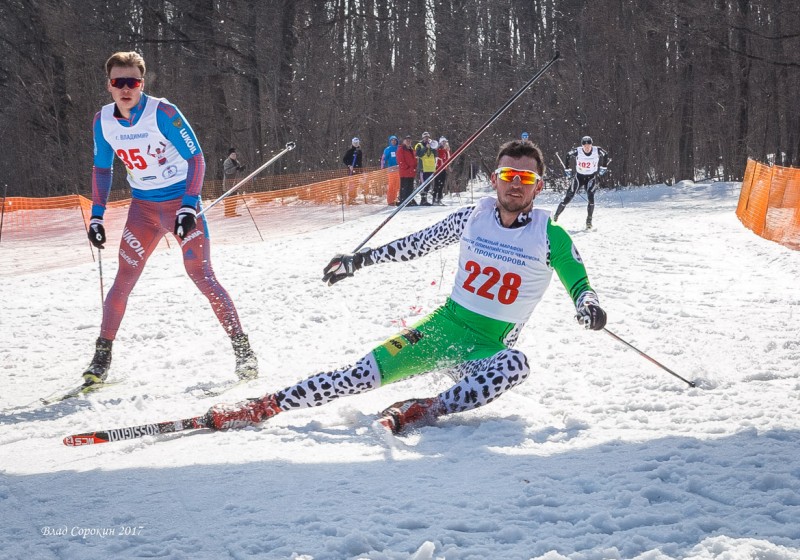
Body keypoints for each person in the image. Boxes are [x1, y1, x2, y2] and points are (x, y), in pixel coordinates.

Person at [204, 139, 607, 434]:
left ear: (538, 185)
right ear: (494, 180)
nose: (514, 185)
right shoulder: (472, 218)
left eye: (525, 178)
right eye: (507, 176)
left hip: (485, 352)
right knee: (358, 375)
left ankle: (422, 409)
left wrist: (586, 305)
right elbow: (418, 244)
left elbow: (579, 283)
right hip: (441, 331)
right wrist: (360, 259)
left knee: (515, 365)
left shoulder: (550, 236)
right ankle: (265, 405)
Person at [82, 51, 258, 388]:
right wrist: (97, 217)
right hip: (143, 210)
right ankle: (101, 358)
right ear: (109, 85)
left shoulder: (163, 112)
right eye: (118, 82)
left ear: (141, 83)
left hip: (180, 203)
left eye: (132, 82)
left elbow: (197, 158)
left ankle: (243, 350)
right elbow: (102, 169)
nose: (125, 88)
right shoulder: (102, 121)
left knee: (202, 275)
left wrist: (189, 207)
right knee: (124, 279)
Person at [554, 135, 609, 229]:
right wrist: (567, 169)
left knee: (591, 197)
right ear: (582, 146)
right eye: (585, 146)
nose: (587, 147)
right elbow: (568, 155)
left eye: (589, 145)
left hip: (591, 177)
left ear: (591, 145)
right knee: (569, 197)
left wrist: (604, 167)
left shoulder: (597, 150)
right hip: (579, 177)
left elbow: (606, 154)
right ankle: (556, 216)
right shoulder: (577, 151)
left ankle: (589, 220)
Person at [415, 132, 436, 206]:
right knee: (423, 184)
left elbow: (436, 154)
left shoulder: (431, 144)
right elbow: (418, 154)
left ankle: (426, 199)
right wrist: (426, 148)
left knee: (428, 185)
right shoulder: (419, 145)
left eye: (428, 137)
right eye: (425, 137)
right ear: (423, 138)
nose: (427, 138)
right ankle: (423, 199)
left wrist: (432, 147)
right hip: (423, 168)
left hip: (430, 168)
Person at [222, 147, 245, 217]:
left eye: (235, 154)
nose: (234, 156)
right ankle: (228, 212)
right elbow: (227, 171)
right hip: (228, 183)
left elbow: (238, 171)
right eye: (232, 154)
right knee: (229, 198)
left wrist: (241, 169)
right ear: (229, 155)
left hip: (235, 183)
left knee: (234, 197)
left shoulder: (237, 162)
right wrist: (236, 168)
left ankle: (232, 211)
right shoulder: (227, 162)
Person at [396, 135, 418, 206]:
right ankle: (403, 200)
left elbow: (414, 159)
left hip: (411, 172)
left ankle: (409, 200)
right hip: (405, 172)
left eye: (409, 140)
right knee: (404, 187)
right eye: (407, 140)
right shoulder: (401, 149)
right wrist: (407, 167)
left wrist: (414, 167)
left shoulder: (411, 149)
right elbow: (400, 161)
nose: (408, 142)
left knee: (410, 187)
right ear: (404, 141)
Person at [433, 137, 451, 206]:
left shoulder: (446, 150)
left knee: (442, 184)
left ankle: (439, 199)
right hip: (438, 168)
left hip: (444, 169)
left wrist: (447, 151)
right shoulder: (438, 149)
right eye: (443, 142)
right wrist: (445, 150)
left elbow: (448, 159)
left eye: (445, 142)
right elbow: (439, 157)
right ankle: (434, 199)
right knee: (437, 184)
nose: (444, 143)